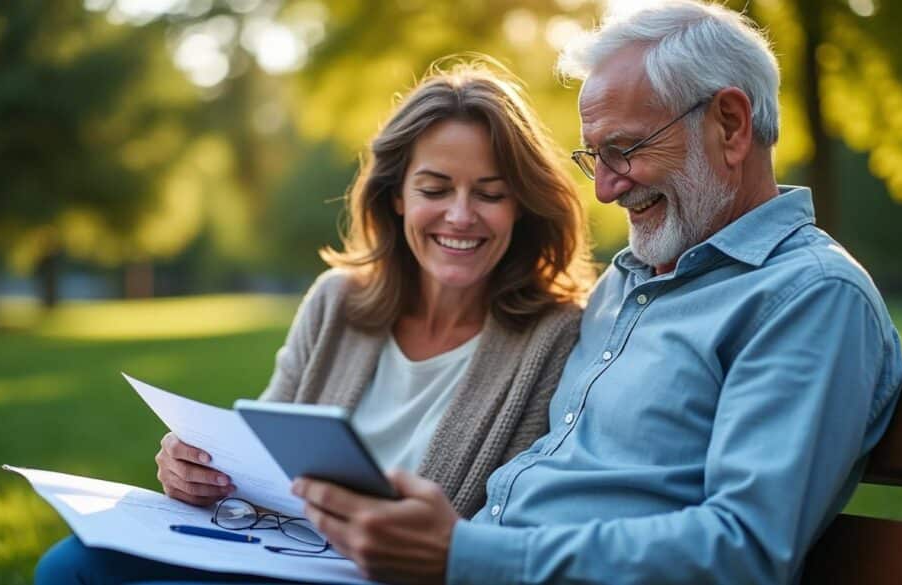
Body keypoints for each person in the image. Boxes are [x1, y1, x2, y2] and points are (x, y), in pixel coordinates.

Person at [289, 3, 902, 585]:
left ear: (731, 124)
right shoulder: (625, 284)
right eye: (595, 157)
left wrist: (463, 553)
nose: (606, 189)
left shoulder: (809, 297)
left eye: (626, 149)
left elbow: (742, 548)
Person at [34, 58, 594, 583]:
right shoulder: (338, 302)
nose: (460, 215)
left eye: (490, 194)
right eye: (434, 189)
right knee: (72, 566)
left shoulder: (554, 334)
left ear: (520, 204)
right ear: (396, 196)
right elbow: (257, 460)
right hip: (272, 550)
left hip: (383, 576)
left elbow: (510, 521)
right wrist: (199, 473)